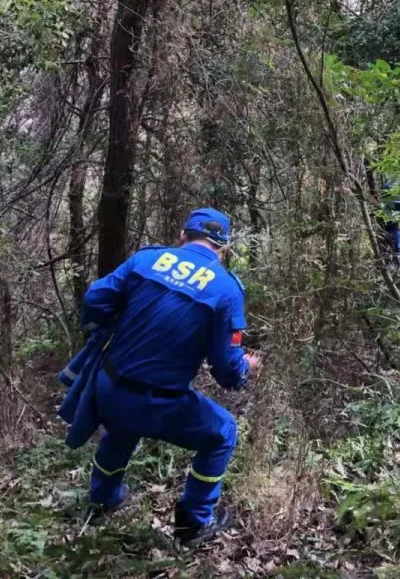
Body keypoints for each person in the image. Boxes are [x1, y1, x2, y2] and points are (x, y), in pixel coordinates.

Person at [56, 208, 258, 547]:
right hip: (157, 401)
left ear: (182, 236)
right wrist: (245, 369)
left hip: (108, 387)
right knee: (223, 431)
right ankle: (193, 523)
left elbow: (94, 300)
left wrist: (114, 320)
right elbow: (226, 370)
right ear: (222, 249)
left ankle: (103, 498)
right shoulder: (226, 289)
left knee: (121, 428)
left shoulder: (146, 260)